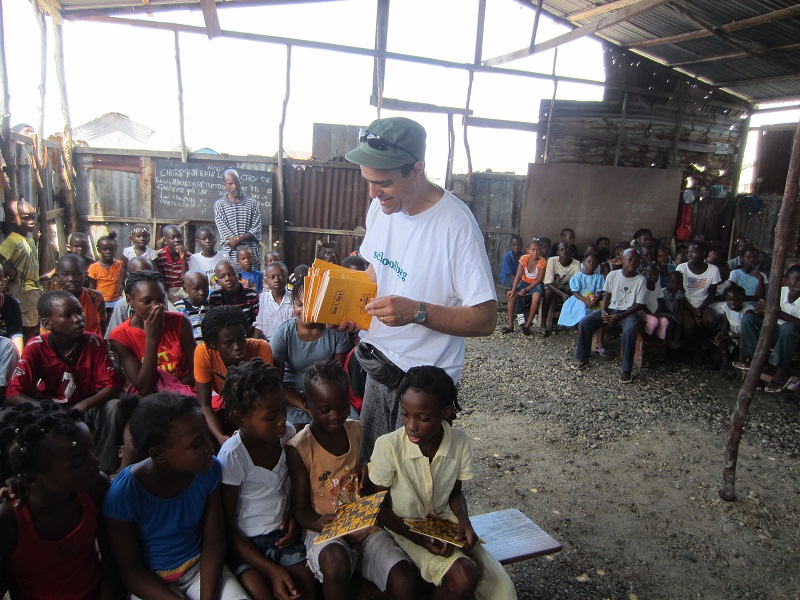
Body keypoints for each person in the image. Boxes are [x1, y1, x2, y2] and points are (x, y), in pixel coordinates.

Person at [344, 117, 496, 463]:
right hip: (378, 365)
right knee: (372, 471)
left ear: (417, 170)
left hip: (422, 385)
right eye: (368, 182)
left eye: (382, 183)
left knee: (416, 488)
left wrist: (416, 312)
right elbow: (374, 271)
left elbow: (486, 319)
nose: (373, 193)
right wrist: (350, 310)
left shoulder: (455, 226)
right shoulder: (381, 208)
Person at [370, 366, 518, 600]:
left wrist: (464, 522)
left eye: (423, 417)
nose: (411, 425)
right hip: (402, 528)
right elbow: (378, 509)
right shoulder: (388, 446)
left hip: (441, 525)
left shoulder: (459, 442)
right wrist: (421, 539)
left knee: (500, 586)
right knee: (464, 575)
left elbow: (455, 494)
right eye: (405, 414)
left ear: (446, 412)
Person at [286, 360, 416, 600]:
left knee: (403, 579)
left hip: (364, 525)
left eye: (343, 406)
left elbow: (369, 479)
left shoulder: (356, 430)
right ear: (306, 402)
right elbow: (302, 511)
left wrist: (368, 468)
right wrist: (322, 524)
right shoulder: (300, 449)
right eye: (325, 410)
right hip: (324, 531)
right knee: (336, 563)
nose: (336, 416)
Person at [103, 393, 249, 599]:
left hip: (201, 570)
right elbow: (131, 569)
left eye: (207, 436)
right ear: (159, 454)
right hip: (151, 582)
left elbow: (214, 540)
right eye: (196, 444)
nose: (210, 447)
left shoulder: (209, 469)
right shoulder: (124, 493)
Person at [218, 359, 318, 600]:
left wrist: (294, 512)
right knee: (262, 594)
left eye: (283, 410)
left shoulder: (287, 436)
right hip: (246, 545)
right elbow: (228, 529)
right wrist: (271, 570)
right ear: (239, 418)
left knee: (306, 588)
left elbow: (296, 486)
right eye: (270, 416)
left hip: (282, 537)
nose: (281, 420)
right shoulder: (232, 457)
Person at [0, 401, 117, 600]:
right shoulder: (10, 522)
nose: (96, 463)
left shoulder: (95, 488)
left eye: (92, 450)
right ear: (31, 479)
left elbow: (112, 562)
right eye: (79, 461)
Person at [6, 290, 124, 473]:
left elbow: (112, 385)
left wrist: (84, 405)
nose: (77, 319)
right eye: (67, 315)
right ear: (47, 323)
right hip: (49, 407)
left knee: (113, 406)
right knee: (9, 415)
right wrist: (46, 408)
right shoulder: (36, 347)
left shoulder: (94, 342)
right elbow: (14, 393)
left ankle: (104, 465)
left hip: (86, 405)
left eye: (79, 312)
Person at [270, 279, 350, 427]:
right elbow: (276, 383)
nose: (306, 311)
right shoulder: (282, 334)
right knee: (296, 431)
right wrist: (306, 406)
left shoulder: (335, 331)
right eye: (300, 305)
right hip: (293, 397)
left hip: (328, 395)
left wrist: (322, 405)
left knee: (350, 425)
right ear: (293, 304)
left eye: (313, 305)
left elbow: (337, 376)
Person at [195, 306, 273, 446]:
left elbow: (266, 398)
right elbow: (204, 404)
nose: (238, 346)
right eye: (229, 343)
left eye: (241, 338)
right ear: (213, 344)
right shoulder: (204, 353)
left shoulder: (261, 348)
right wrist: (221, 437)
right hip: (229, 411)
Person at [109, 270, 195, 396]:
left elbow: (196, 370)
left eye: (161, 299)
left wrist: (174, 388)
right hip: (151, 398)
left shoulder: (180, 322)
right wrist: (151, 338)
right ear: (130, 300)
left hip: (185, 390)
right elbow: (144, 387)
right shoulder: (120, 336)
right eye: (147, 301)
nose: (156, 306)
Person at [573, 248, 647, 383]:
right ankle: (582, 358)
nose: (632, 263)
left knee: (630, 331)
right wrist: (604, 311)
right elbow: (607, 294)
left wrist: (619, 316)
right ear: (621, 260)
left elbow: (639, 304)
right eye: (629, 259)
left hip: (629, 312)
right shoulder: (613, 275)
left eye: (636, 261)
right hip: (612, 309)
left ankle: (626, 370)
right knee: (585, 322)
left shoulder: (641, 280)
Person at [736, 265, 800, 392]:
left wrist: (778, 313)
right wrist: (761, 310)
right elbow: (766, 312)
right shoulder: (779, 292)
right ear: (786, 280)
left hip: (794, 339)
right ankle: (751, 359)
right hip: (776, 332)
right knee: (749, 317)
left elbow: (780, 316)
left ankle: (779, 373)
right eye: (796, 279)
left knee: (788, 328)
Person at [0, 200, 52, 341]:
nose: (31, 221)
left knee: (35, 327)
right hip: (22, 292)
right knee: (27, 329)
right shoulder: (13, 240)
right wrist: (11, 272)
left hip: (32, 291)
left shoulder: (28, 240)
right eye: (26, 217)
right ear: (13, 219)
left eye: (33, 217)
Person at [676, 241, 721, 344]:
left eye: (693, 251)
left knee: (711, 320)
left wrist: (700, 308)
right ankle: (690, 348)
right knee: (689, 326)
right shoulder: (681, 268)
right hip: (686, 303)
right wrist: (693, 311)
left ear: (704, 253)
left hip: (703, 303)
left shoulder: (713, 270)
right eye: (688, 252)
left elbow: (711, 294)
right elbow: (680, 294)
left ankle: (706, 342)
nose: (689, 254)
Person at [215, 168, 263, 265]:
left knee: (251, 279)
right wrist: (238, 246)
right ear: (224, 185)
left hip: (250, 255)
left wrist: (239, 239)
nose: (235, 186)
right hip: (230, 254)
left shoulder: (252, 203)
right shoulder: (220, 205)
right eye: (230, 184)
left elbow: (256, 228)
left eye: (237, 182)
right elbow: (224, 231)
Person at [57, 253, 107, 337]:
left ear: (86, 275)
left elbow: (102, 324)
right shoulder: (54, 302)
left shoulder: (95, 297)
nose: (71, 279)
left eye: (78, 274)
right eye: (65, 275)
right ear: (58, 276)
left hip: (93, 345)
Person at [502, 239, 546, 335]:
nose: (535, 252)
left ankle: (527, 325)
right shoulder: (524, 259)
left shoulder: (542, 261)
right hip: (524, 282)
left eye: (537, 250)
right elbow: (518, 275)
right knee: (511, 297)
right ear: (528, 250)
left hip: (535, 284)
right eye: (533, 250)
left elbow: (539, 279)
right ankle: (510, 325)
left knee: (536, 298)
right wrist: (513, 289)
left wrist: (527, 289)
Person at [540, 241, 580, 336]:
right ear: (557, 252)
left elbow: (575, 284)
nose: (564, 252)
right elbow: (548, 283)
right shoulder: (552, 261)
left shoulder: (576, 264)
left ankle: (572, 325)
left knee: (576, 295)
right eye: (561, 250)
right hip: (552, 285)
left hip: (565, 285)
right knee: (548, 292)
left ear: (570, 251)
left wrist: (569, 293)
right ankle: (543, 324)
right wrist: (562, 294)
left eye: (566, 249)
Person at [558, 253, 604, 329]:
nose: (591, 264)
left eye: (594, 262)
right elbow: (575, 292)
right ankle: (579, 328)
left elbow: (599, 291)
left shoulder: (599, 278)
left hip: (594, 299)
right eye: (589, 261)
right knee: (582, 308)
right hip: (579, 298)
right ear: (584, 262)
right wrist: (585, 300)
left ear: (597, 265)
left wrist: (596, 299)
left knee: (600, 308)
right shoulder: (577, 277)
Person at [209, 260, 260, 331]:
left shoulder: (252, 295)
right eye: (222, 276)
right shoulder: (215, 298)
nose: (227, 279)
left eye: (232, 274)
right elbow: (215, 323)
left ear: (239, 276)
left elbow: (256, 322)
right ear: (217, 282)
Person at [88, 231, 126, 320]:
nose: (108, 252)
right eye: (104, 249)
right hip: (101, 301)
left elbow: (124, 280)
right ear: (98, 250)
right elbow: (92, 287)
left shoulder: (121, 265)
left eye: (111, 249)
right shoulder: (94, 267)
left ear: (116, 249)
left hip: (117, 300)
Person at [254, 260, 293, 342]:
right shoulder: (262, 298)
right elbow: (259, 323)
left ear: (287, 279)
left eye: (281, 277)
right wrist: (255, 343)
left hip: (290, 341)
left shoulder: (293, 298)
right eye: (272, 277)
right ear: (266, 280)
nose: (277, 280)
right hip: (268, 341)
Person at [155, 224, 191, 303]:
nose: (177, 240)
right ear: (165, 240)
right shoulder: (159, 256)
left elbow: (186, 280)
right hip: (164, 290)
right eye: (173, 237)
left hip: (183, 290)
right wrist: (169, 296)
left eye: (180, 237)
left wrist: (183, 259)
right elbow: (157, 281)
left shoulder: (189, 257)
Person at [174, 270, 210, 342]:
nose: (202, 292)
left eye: (205, 288)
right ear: (185, 289)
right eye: (196, 289)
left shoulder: (210, 305)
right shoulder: (179, 307)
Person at [498, 235, 524, 323]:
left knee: (524, 286)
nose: (516, 247)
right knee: (517, 286)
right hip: (507, 278)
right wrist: (519, 280)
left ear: (522, 245)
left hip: (520, 279)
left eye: (519, 245)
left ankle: (520, 310)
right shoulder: (508, 256)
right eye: (514, 245)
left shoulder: (524, 256)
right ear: (511, 245)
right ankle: (518, 312)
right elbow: (509, 274)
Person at [639, 263, 669, 341]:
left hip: (654, 312)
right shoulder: (642, 287)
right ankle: (647, 338)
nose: (654, 277)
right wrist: (651, 314)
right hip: (643, 312)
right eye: (650, 274)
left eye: (656, 274)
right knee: (653, 321)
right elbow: (642, 305)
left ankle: (659, 340)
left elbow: (659, 300)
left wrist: (658, 311)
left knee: (664, 321)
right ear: (644, 275)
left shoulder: (657, 287)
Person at [0, 264, 24, 355]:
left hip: (4, 350)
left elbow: (16, 334)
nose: (0, 283)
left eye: (1, 278)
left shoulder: (12, 304)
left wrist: (19, 357)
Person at [662, 271, 686, 349]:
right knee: (671, 321)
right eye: (673, 282)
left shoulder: (679, 293)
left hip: (675, 313)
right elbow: (662, 306)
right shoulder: (663, 292)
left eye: (678, 283)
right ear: (668, 281)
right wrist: (672, 314)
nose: (675, 285)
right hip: (665, 313)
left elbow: (681, 305)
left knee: (679, 321)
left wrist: (679, 314)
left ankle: (676, 340)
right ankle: (670, 340)